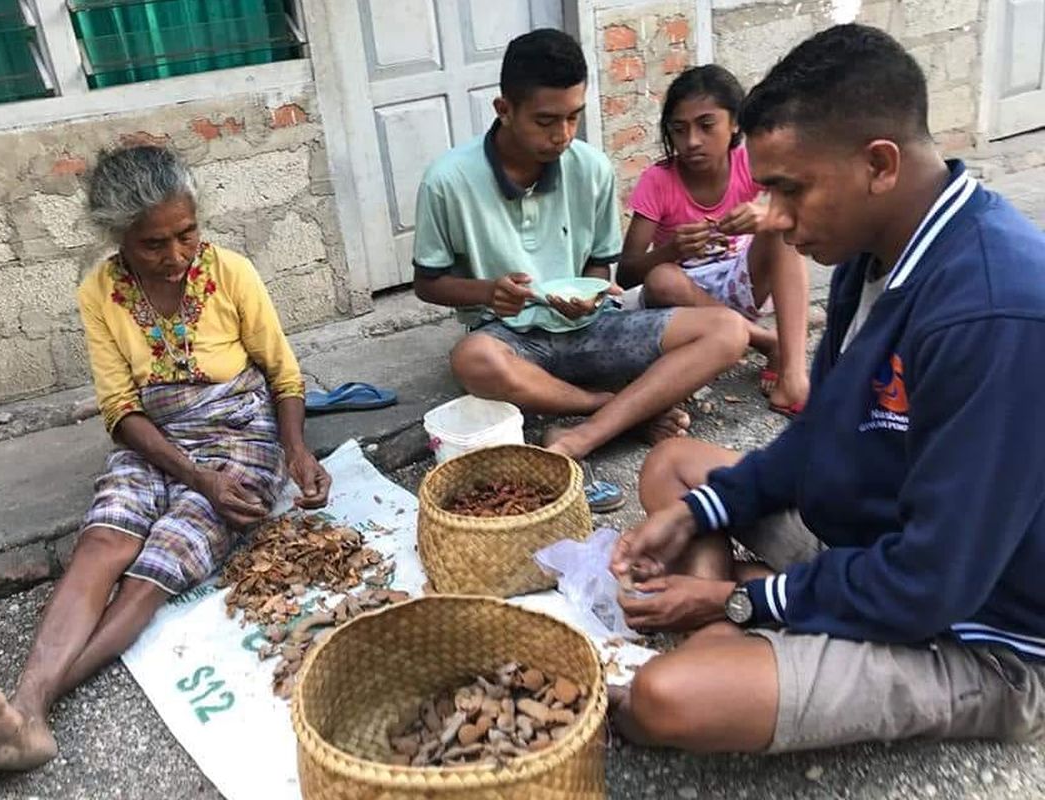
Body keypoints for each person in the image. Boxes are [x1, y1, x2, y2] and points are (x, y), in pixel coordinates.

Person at [610, 24, 1045, 754]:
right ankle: (739, 626)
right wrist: (701, 517)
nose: (773, 218)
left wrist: (739, 599)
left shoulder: (995, 312)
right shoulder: (871, 255)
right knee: (676, 472)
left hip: (974, 630)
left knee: (664, 700)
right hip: (874, 543)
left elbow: (931, 582)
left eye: (788, 189)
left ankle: (734, 627)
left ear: (879, 164)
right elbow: (821, 433)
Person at [0, 145, 331, 775]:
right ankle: (26, 718)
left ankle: (33, 707)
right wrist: (192, 474)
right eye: (154, 245)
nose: (176, 256)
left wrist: (295, 450)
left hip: (237, 435)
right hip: (153, 438)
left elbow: (283, 375)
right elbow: (121, 409)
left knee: (157, 566)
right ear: (117, 236)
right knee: (104, 541)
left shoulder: (230, 273)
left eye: (187, 234)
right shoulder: (101, 292)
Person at [413, 29, 749, 464]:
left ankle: (584, 430)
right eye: (546, 121)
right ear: (505, 110)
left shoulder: (591, 169)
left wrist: (590, 296)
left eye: (574, 117)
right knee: (472, 359)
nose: (563, 134)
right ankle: (610, 407)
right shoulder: (447, 181)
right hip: (510, 337)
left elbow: (598, 266)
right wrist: (488, 292)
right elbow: (428, 283)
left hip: (591, 329)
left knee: (728, 330)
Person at [618, 65, 810, 416]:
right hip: (686, 304)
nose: (692, 141)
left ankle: (793, 369)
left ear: (735, 123)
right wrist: (671, 250)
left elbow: (803, 211)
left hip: (742, 282)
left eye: (707, 126)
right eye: (679, 129)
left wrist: (767, 213)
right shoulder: (657, 180)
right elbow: (626, 274)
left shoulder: (748, 162)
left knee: (781, 231)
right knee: (661, 278)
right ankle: (767, 342)